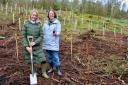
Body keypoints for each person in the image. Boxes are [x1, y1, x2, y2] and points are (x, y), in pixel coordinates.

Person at [21, 9, 49, 78]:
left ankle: (44, 72)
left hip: (37, 46)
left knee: (43, 59)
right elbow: (23, 36)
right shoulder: (26, 24)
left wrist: (35, 42)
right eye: (33, 15)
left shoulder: (39, 25)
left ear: (37, 16)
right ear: (30, 15)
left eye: (35, 15)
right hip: (28, 46)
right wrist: (27, 47)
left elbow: (41, 36)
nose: (34, 16)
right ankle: (33, 72)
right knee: (31, 61)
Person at [42, 9, 62, 76]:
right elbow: (42, 31)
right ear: (48, 15)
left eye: (52, 13)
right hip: (46, 43)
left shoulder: (57, 22)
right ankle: (51, 68)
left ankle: (58, 69)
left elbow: (59, 32)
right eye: (50, 13)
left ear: (54, 15)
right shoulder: (45, 23)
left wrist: (56, 33)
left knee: (55, 57)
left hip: (54, 44)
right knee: (49, 58)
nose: (51, 14)